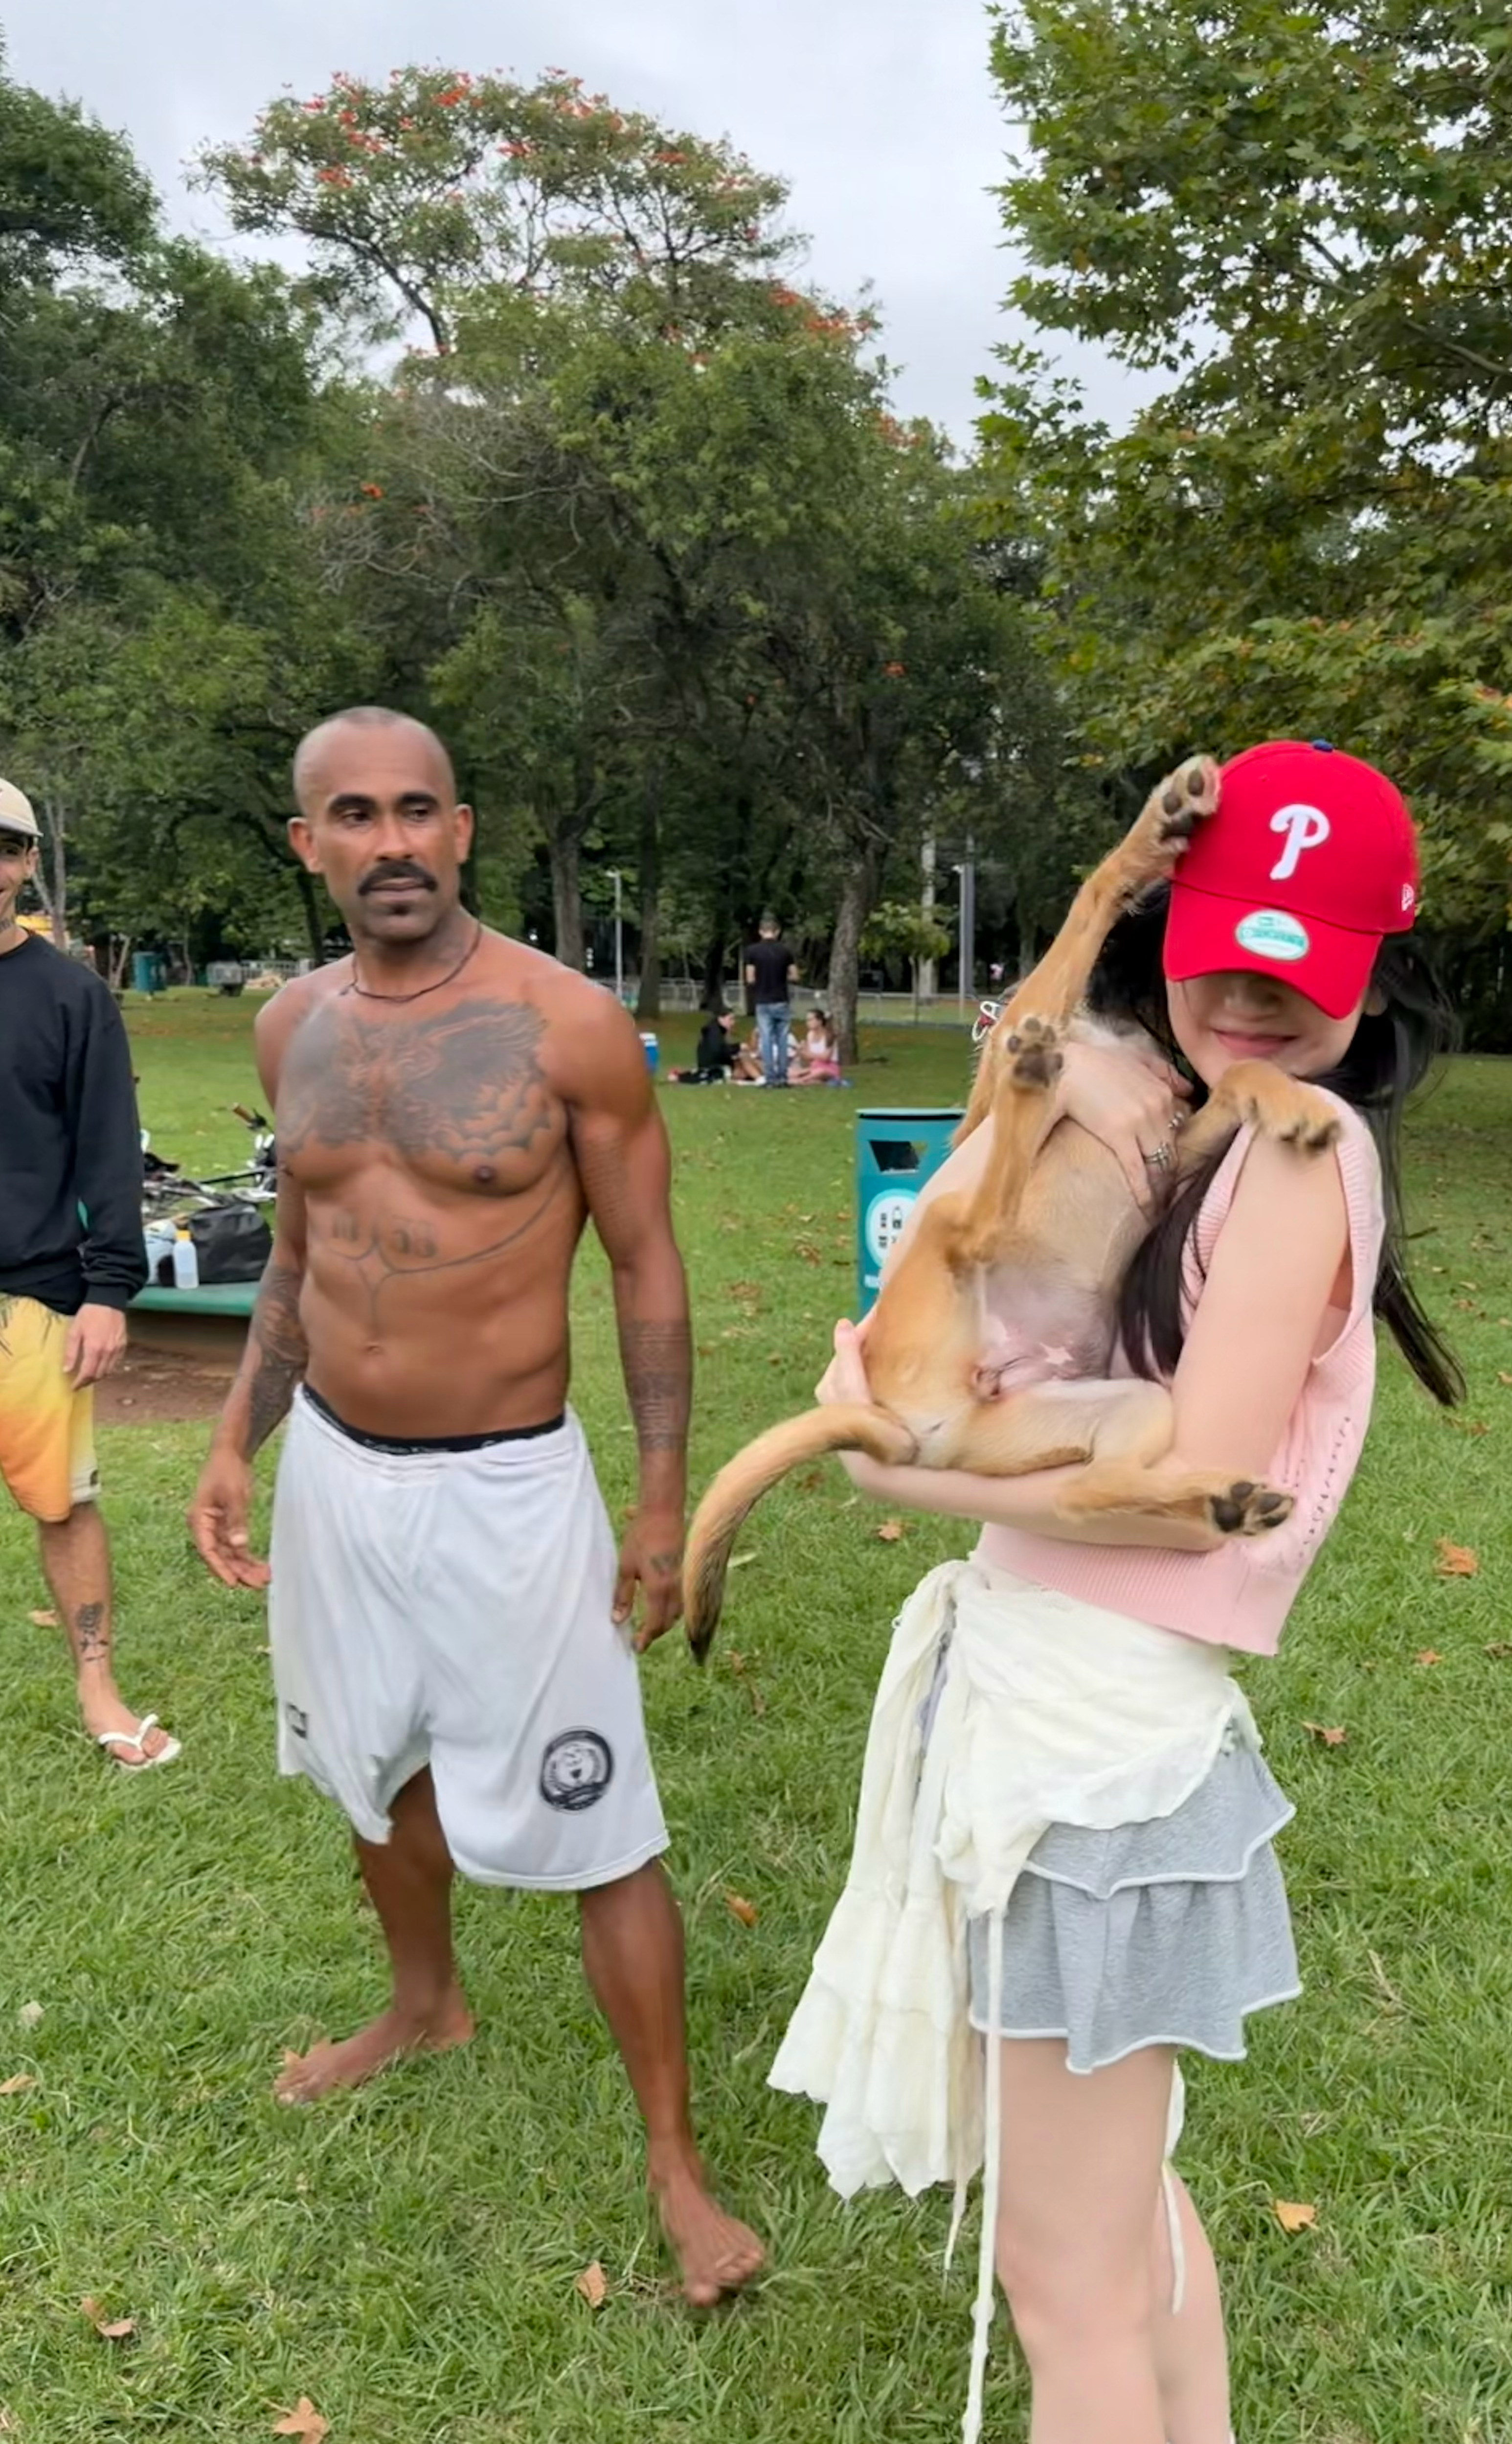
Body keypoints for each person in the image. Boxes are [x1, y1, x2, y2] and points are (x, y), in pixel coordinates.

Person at [772, 742, 1462, 2443]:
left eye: (1297, 972)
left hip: (1090, 1764)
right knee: (1123, 2214)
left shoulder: (1298, 1147)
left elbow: (1193, 1496)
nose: (1247, 998)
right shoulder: (1196, 1131)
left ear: (1374, 980)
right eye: (1223, 950)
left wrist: (888, 1466)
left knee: (1061, 2287)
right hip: (1065, 1734)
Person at [186, 707, 762, 2305]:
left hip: (510, 1485)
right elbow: (297, 1257)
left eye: (416, 810)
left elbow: (645, 1266)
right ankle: (424, 2001)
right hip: (337, 1475)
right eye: (353, 814)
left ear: (461, 829)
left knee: (601, 1821)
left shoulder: (566, 1025)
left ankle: (672, 2160)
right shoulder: (288, 1028)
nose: (390, 841)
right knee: (372, 1768)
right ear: (307, 843)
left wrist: (660, 1499)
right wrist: (238, 1440)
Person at [0, 779, 178, 1772]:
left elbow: (109, 1152)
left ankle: (98, 1685)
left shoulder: (72, 996)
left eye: (5, 847)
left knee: (61, 1503)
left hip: (33, 1295)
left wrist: (109, 1290)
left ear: (26, 864)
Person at [742, 914, 798, 1088]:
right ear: (777, 932)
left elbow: (750, 978)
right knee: (782, 1039)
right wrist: (781, 977)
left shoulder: (752, 952)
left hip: (763, 1000)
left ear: (761, 932)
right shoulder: (786, 951)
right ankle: (783, 1077)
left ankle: (770, 1078)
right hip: (781, 999)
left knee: (766, 1039)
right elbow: (795, 976)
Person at [670, 1008, 738, 1084]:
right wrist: (737, 1048)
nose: (733, 1023)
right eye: (730, 1019)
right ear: (721, 1019)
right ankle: (680, 1077)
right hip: (712, 1066)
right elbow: (719, 1051)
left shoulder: (718, 1030)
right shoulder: (714, 1032)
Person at [793, 1008, 841, 1085]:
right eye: (807, 1021)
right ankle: (811, 1081)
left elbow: (826, 1057)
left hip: (829, 1068)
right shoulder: (810, 1035)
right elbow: (808, 1058)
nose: (808, 1023)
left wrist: (810, 1054)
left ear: (820, 1021)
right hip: (815, 1067)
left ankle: (801, 1081)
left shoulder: (829, 1036)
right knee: (793, 1072)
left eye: (811, 1020)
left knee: (820, 1072)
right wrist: (801, 1051)